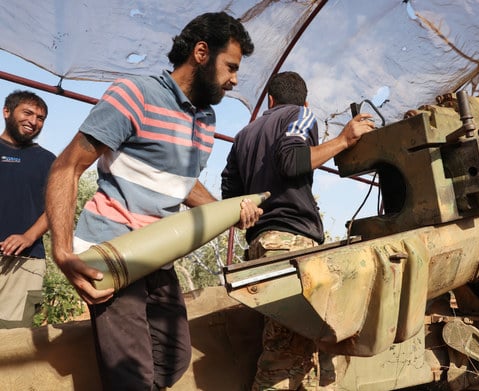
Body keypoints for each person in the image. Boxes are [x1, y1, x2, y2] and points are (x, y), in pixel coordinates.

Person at [45, 11, 262, 390]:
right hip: (113, 250)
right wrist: (62, 250)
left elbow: (181, 183)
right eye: (230, 66)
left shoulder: (206, 120)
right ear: (200, 53)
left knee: (174, 360)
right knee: (132, 376)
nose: (234, 79)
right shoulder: (136, 94)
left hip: (158, 254)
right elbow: (66, 167)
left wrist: (227, 213)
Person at [220, 71, 376, 390]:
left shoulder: (244, 136)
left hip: (260, 247)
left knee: (303, 352)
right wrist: (344, 140)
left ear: (270, 100)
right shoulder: (301, 114)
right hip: (291, 246)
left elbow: (230, 198)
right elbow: (291, 161)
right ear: (304, 101)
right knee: (283, 358)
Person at [0, 90, 54, 329]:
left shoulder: (48, 161)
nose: (34, 121)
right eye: (28, 113)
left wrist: (29, 236)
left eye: (40, 117)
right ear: (7, 112)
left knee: (14, 336)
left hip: (26, 263)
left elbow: (58, 208)